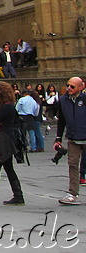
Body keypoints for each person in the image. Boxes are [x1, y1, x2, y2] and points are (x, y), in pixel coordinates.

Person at [54, 77, 86, 205]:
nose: (69, 88)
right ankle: (72, 193)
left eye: (72, 86)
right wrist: (58, 138)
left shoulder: (84, 99)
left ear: (80, 87)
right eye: (68, 85)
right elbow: (61, 120)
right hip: (73, 137)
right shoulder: (63, 100)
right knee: (72, 165)